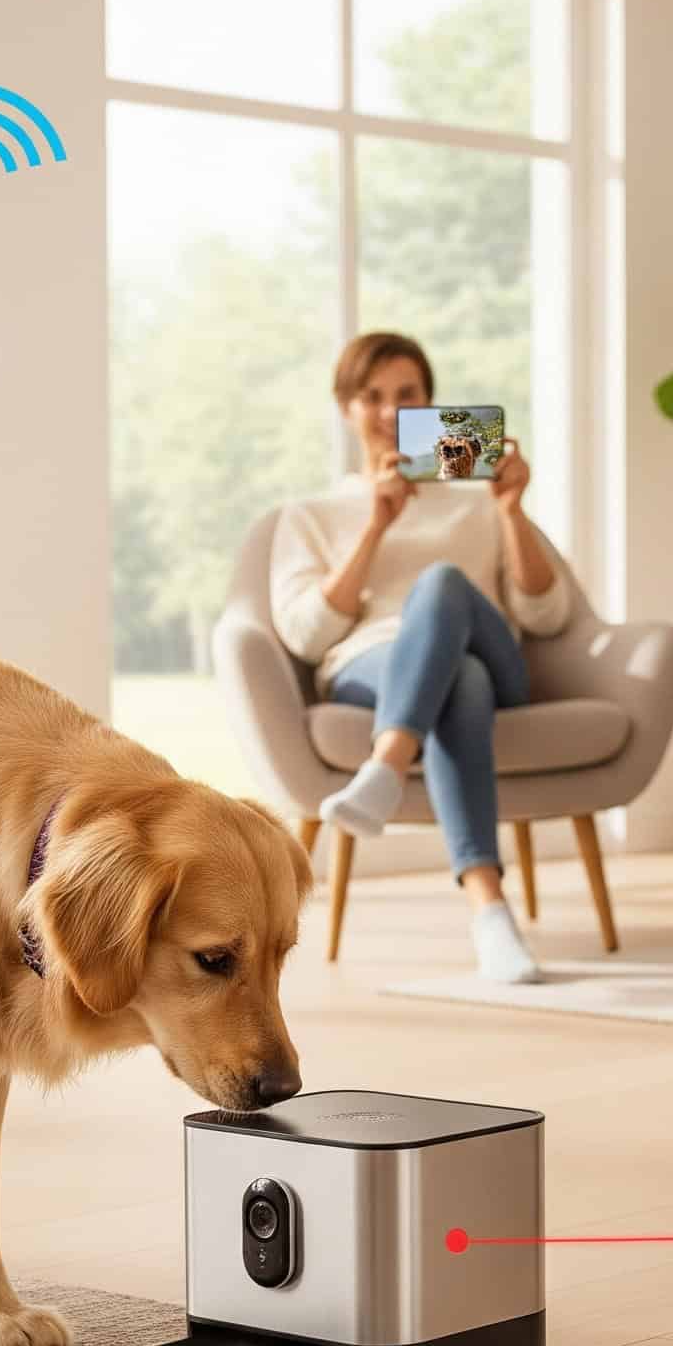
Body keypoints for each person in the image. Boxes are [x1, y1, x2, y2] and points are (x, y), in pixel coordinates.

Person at [268, 331, 572, 983]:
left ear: (430, 403)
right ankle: (491, 913)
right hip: (372, 668)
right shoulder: (312, 513)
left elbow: (549, 615)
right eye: (370, 397)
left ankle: (384, 767)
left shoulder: (476, 499)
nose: (387, 411)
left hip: (498, 666)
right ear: (346, 408)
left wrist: (513, 513)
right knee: (456, 680)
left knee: (442, 586)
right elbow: (305, 635)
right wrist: (375, 524)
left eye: (405, 395)